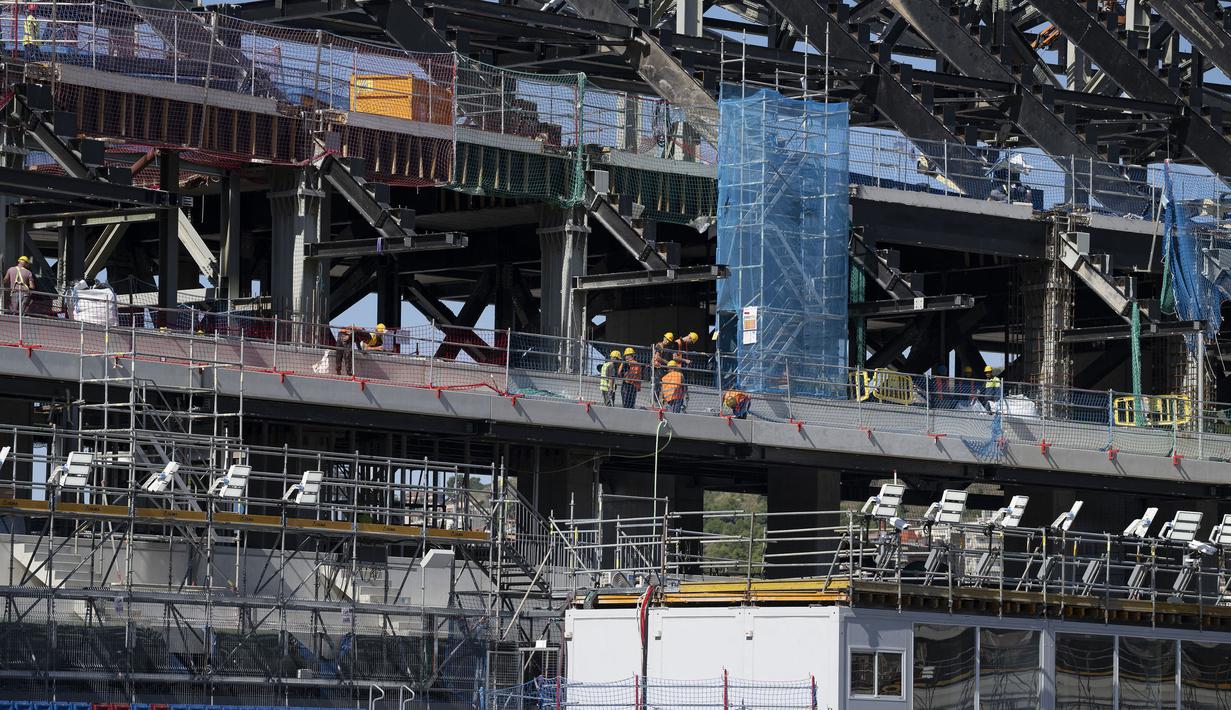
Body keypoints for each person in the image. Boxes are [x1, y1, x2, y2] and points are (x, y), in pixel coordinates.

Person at [651, 332, 673, 405]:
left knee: (663, 385)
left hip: (662, 367)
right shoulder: (659, 346)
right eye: (667, 339)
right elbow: (657, 357)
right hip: (657, 367)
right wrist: (667, 362)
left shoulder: (667, 347)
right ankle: (655, 401)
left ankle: (662, 400)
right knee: (657, 384)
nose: (667, 341)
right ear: (664, 338)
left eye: (669, 341)